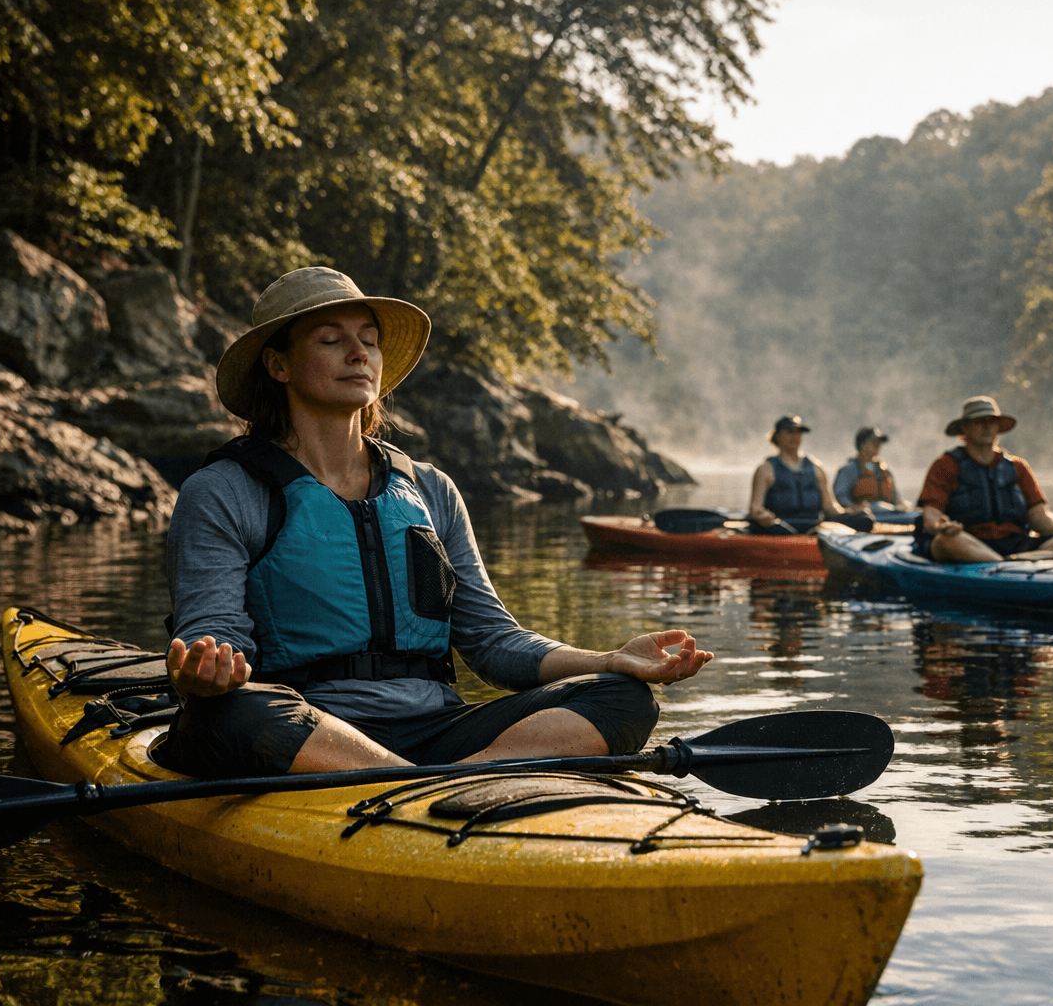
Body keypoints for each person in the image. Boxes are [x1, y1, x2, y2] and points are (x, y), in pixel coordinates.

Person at [158, 267, 711, 778]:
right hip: (311, 729)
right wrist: (209, 669)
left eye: (368, 341)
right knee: (228, 712)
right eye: (331, 340)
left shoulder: (430, 490)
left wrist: (611, 659)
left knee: (621, 696)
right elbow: (213, 633)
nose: (359, 354)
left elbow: (493, 642)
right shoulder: (224, 491)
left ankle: (443, 780)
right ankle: (424, 784)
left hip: (436, 732)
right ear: (278, 365)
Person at [913, 396, 1053, 563]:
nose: (987, 426)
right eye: (979, 421)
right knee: (946, 542)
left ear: (998, 427)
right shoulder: (945, 465)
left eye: (991, 421)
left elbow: (1040, 517)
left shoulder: (1018, 466)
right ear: (965, 428)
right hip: (969, 543)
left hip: (1016, 544)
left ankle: (1012, 562)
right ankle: (1006, 564)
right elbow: (931, 515)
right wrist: (941, 526)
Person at [748, 415, 868, 534]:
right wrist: (762, 515)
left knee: (864, 519)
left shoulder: (816, 467)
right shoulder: (765, 469)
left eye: (798, 432)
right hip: (781, 526)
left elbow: (830, 508)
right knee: (773, 528)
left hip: (813, 526)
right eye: (790, 432)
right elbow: (755, 507)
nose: (795, 437)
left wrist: (853, 511)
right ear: (778, 435)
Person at [833, 426, 904, 511]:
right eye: (873, 442)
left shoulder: (885, 470)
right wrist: (855, 507)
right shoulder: (849, 470)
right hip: (862, 515)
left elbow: (896, 500)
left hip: (888, 514)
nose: (878, 445)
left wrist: (901, 505)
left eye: (879, 442)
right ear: (862, 444)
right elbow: (840, 497)